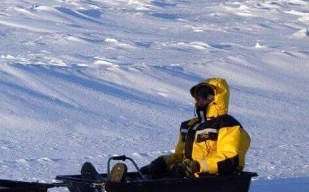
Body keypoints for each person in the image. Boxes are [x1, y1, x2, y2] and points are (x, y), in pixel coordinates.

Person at [106, 78, 251, 182]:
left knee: (164, 182)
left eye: (205, 94)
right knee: (153, 176)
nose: (200, 99)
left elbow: (230, 159)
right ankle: (118, 182)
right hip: (190, 176)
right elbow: (181, 156)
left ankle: (127, 190)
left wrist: (196, 166)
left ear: (217, 98)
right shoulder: (190, 126)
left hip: (216, 180)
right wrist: (164, 162)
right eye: (198, 95)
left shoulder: (227, 124)